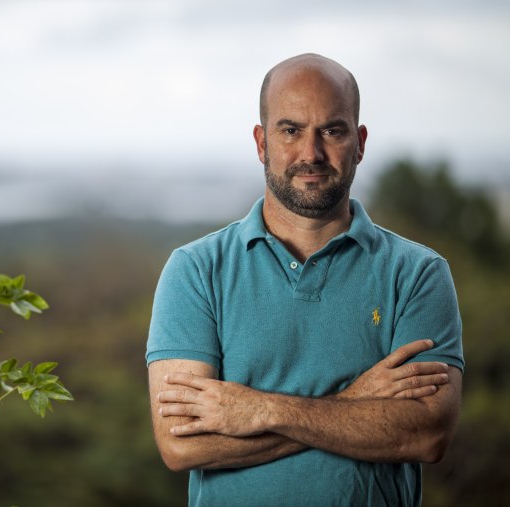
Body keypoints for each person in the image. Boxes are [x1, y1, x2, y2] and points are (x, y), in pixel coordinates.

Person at [146, 53, 464, 507]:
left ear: (360, 143)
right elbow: (181, 445)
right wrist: (356, 401)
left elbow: (425, 435)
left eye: (332, 131)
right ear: (261, 143)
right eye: (290, 130)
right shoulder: (195, 270)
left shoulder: (418, 274)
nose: (310, 154)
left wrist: (258, 410)